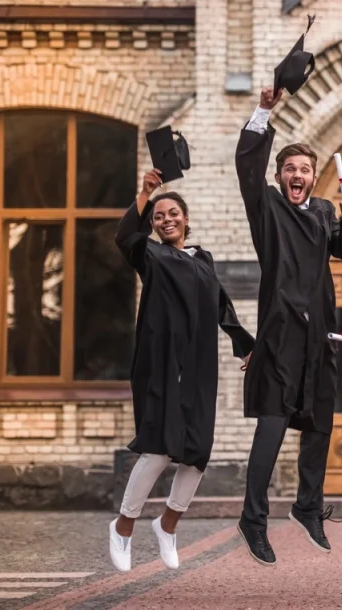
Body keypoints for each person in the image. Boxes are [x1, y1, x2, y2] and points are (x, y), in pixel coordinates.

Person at [235, 87, 342, 566]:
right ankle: (253, 520)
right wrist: (264, 111)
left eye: (304, 170)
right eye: (290, 169)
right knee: (272, 428)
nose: (297, 175)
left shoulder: (322, 212)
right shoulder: (267, 208)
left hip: (319, 337)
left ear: (315, 179)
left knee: (320, 424)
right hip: (279, 335)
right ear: (279, 176)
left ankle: (307, 507)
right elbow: (247, 166)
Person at [110, 169, 255, 573]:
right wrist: (146, 193)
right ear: (153, 225)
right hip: (161, 363)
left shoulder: (202, 258)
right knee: (160, 446)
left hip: (198, 365)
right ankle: (123, 526)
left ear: (187, 219)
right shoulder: (150, 255)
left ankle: (168, 524)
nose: (166, 219)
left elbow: (222, 305)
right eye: (158, 216)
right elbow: (125, 237)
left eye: (173, 213)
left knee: (197, 451)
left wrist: (246, 345)